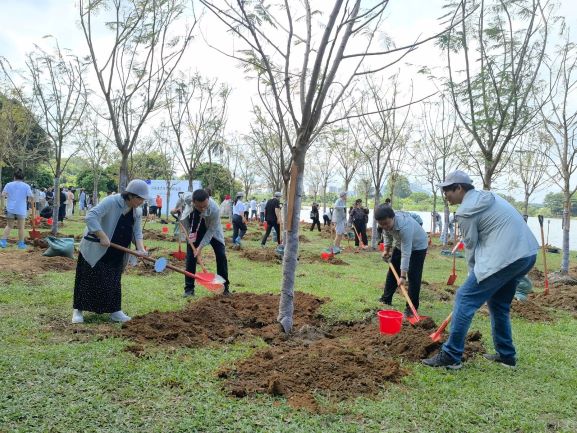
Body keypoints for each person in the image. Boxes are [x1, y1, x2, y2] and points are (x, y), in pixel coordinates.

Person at [423, 171, 539, 369]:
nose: (445, 196)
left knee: (465, 297)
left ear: (459, 188)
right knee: (499, 304)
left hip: (506, 257)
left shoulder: (466, 210)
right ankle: (506, 356)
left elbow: (470, 246)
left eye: (447, 191)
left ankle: (451, 355)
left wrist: (473, 274)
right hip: (526, 253)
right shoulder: (488, 196)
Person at [71, 179, 150, 324]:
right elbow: (91, 216)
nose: (142, 202)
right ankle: (78, 310)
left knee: (113, 280)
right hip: (97, 248)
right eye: (140, 199)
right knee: (87, 279)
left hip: (117, 251)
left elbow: (137, 232)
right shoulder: (111, 201)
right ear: (131, 196)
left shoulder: (137, 211)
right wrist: (102, 235)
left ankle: (115, 311)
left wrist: (140, 249)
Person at [375, 205, 428, 318]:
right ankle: (386, 299)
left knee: (414, 276)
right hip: (400, 244)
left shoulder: (405, 226)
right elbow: (387, 234)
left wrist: (403, 276)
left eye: (387, 223)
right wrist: (386, 250)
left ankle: (411, 308)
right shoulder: (386, 225)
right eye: (381, 224)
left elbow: (406, 253)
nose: (385, 226)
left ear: (393, 217)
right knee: (392, 272)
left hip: (418, 246)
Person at [179, 188, 230, 297]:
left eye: (205, 206)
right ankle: (189, 289)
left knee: (221, 255)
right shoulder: (188, 198)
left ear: (208, 199)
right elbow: (181, 197)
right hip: (195, 226)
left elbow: (211, 231)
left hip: (213, 231)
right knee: (191, 257)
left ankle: (224, 288)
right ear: (193, 202)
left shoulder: (215, 209)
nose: (202, 209)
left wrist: (200, 247)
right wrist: (176, 208)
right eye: (199, 206)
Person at [1, 169, 34, 249]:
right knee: (21, 227)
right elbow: (31, 197)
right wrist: (29, 202)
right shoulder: (26, 186)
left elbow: (2, 195)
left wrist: (3, 205)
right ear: (23, 178)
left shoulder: (8, 184)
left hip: (10, 208)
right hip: (21, 209)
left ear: (14, 177)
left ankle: (3, 241)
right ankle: (21, 244)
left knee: (9, 226)